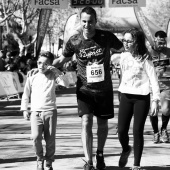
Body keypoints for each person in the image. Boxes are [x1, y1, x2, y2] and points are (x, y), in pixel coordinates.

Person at [50, 6, 123, 170]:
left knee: (102, 125)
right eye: (84, 21)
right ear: (80, 22)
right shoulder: (75, 41)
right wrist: (44, 67)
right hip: (84, 90)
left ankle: (100, 153)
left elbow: (125, 51)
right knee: (86, 122)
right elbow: (61, 60)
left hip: (104, 90)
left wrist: (138, 56)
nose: (87, 25)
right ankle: (89, 160)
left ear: (95, 22)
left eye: (90, 22)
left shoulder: (106, 37)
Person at [116, 28, 160, 170]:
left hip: (142, 97)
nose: (126, 43)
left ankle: (136, 165)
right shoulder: (123, 56)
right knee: (122, 130)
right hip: (126, 96)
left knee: (137, 130)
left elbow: (153, 80)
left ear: (137, 41)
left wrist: (155, 100)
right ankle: (125, 149)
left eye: (129, 41)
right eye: (125, 41)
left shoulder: (146, 58)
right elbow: (121, 75)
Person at [21, 51, 62, 170]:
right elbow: (26, 94)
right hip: (35, 112)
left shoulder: (53, 75)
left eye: (45, 64)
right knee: (35, 137)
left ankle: (49, 162)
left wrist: (55, 70)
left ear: (50, 65)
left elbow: (65, 83)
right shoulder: (32, 76)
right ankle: (39, 159)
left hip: (50, 111)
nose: (41, 66)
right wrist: (25, 109)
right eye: (39, 62)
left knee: (50, 140)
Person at [149, 30, 170, 143]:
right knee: (153, 110)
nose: (161, 45)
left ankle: (163, 130)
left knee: (166, 110)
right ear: (155, 40)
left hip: (166, 85)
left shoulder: (169, 52)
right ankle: (155, 132)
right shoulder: (148, 52)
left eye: (163, 42)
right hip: (152, 86)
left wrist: (166, 69)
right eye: (159, 42)